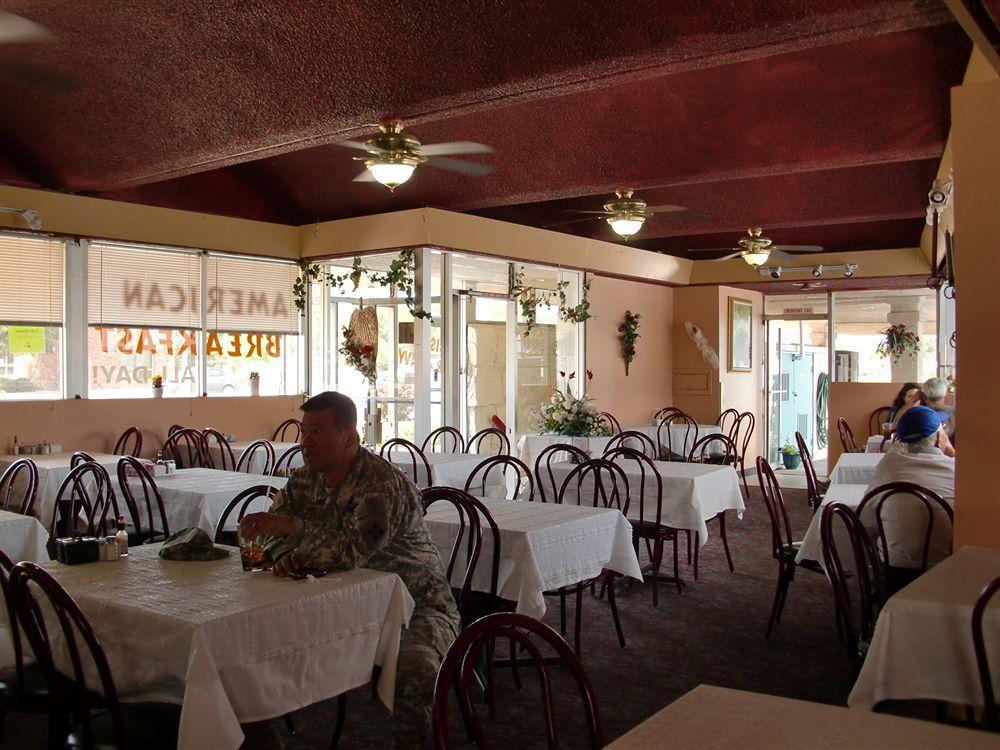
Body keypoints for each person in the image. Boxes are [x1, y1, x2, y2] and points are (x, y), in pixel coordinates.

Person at [239, 392, 459, 749]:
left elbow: (349, 550)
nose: (305, 442)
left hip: (416, 605)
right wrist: (282, 553)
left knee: (414, 667)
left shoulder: (379, 484)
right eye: (303, 431)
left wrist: (290, 531)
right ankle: (255, 736)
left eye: (317, 431)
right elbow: (266, 532)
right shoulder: (304, 480)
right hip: (341, 602)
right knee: (248, 639)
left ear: (350, 438)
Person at [864, 406, 955, 570]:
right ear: (939, 438)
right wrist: (952, 454)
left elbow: (867, 510)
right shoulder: (956, 469)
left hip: (895, 568)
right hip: (946, 568)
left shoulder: (888, 465)